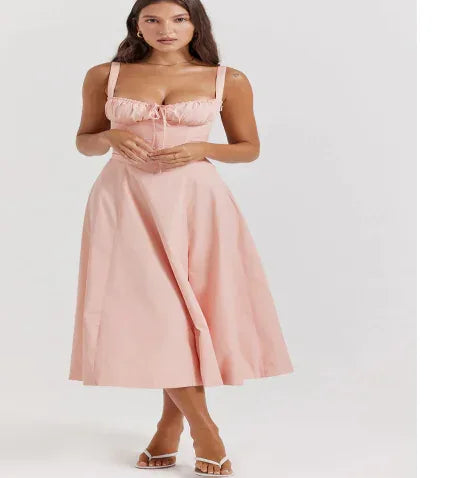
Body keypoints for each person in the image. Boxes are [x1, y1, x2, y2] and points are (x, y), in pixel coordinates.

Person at [68, 0, 294, 475]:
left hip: (195, 202)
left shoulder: (227, 79)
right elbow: (84, 140)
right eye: (152, 19)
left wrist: (202, 148)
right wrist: (109, 138)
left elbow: (248, 148)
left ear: (195, 24)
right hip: (124, 200)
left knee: (188, 313)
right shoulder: (104, 75)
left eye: (178, 19)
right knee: (158, 310)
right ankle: (204, 429)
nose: (165, 29)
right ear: (137, 26)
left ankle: (168, 426)